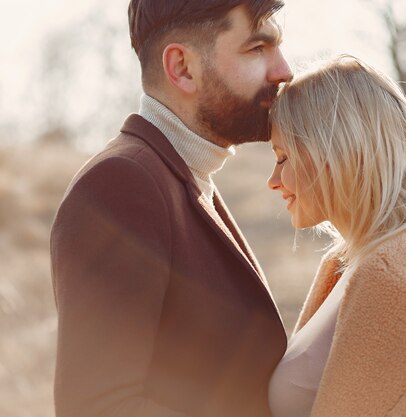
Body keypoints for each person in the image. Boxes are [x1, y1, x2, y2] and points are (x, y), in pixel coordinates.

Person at [50, 1, 292, 416]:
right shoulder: (120, 186)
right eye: (257, 49)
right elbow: (98, 406)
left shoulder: (185, 177)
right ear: (182, 68)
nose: (283, 70)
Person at [266, 55, 406, 417]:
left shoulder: (397, 277)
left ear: (333, 150)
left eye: (283, 157)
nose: (273, 179)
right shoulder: (355, 263)